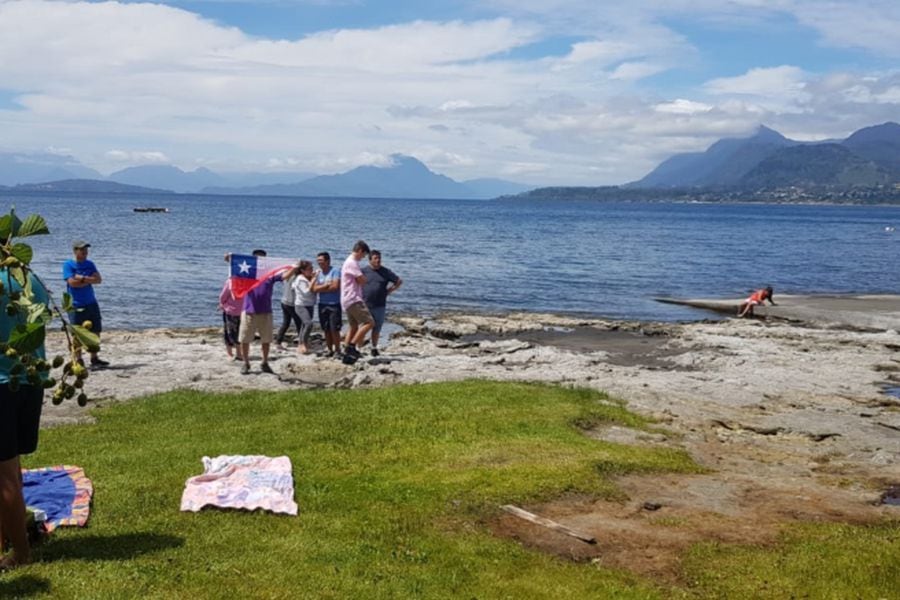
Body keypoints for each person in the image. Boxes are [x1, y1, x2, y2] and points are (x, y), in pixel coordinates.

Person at [0, 269, 48, 571]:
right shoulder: (30, 277)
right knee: (11, 467)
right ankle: (8, 537)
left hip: (3, 383)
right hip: (31, 380)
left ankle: (20, 552)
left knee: (4, 476)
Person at [236, 249, 292, 375]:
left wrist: (294, 267)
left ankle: (265, 362)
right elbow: (233, 265)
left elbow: (284, 276)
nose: (261, 261)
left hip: (265, 311)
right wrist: (229, 258)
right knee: (245, 339)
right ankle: (246, 363)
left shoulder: (269, 274)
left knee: (266, 339)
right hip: (249, 310)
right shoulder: (247, 273)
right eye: (258, 258)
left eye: (263, 259)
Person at [63, 239, 108, 368]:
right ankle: (78, 359)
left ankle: (94, 358)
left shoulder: (90, 264)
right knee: (77, 333)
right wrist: (89, 280)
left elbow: (98, 280)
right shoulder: (68, 265)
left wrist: (81, 278)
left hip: (91, 302)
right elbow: (72, 283)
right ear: (75, 251)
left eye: (86, 250)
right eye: (82, 250)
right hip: (75, 304)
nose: (85, 252)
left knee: (96, 331)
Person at [362, 249, 402, 356]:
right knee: (364, 327)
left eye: (379, 258)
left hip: (380, 304)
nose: (378, 260)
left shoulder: (385, 271)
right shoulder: (363, 271)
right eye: (375, 258)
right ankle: (357, 347)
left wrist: (389, 291)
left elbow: (398, 281)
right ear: (370, 260)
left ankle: (373, 347)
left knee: (377, 327)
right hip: (365, 304)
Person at [340, 240, 374, 365]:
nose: (363, 257)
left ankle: (346, 355)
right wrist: (364, 279)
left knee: (353, 327)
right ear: (359, 251)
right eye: (364, 255)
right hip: (353, 298)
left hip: (346, 299)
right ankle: (352, 346)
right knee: (369, 322)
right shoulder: (352, 263)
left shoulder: (348, 262)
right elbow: (361, 280)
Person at [311, 252, 341, 357]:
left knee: (334, 329)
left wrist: (321, 288)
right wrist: (326, 286)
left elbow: (335, 287)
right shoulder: (318, 273)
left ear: (327, 261)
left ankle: (337, 350)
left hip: (334, 304)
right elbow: (313, 289)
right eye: (318, 261)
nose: (319, 263)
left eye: (321, 261)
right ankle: (329, 350)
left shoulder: (335, 271)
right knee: (326, 328)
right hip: (322, 304)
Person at [290, 260, 317, 355]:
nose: (311, 270)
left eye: (312, 268)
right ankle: (303, 343)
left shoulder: (308, 278)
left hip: (310, 304)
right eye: (309, 269)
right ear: (303, 270)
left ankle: (302, 343)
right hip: (301, 305)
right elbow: (306, 291)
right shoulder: (300, 279)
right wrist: (314, 279)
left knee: (304, 325)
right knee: (308, 324)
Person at [275, 268, 302, 351]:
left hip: (284, 301)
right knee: (299, 323)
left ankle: (278, 341)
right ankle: (301, 342)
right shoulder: (297, 278)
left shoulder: (287, 276)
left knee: (286, 323)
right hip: (291, 303)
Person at [217, 277, 243, 361]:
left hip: (231, 310)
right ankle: (236, 352)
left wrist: (222, 303)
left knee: (230, 332)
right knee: (238, 332)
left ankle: (232, 352)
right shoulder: (247, 282)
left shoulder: (230, 281)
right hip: (240, 311)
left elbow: (223, 296)